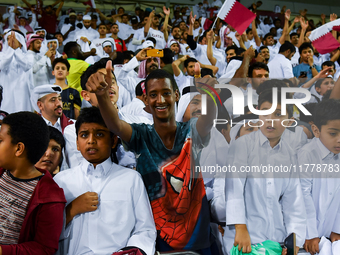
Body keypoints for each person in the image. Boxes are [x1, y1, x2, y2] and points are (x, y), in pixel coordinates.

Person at [86, 63, 220, 252]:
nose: (160, 99)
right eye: (153, 95)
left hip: (201, 240)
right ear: (146, 100)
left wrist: (208, 93)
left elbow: (208, 119)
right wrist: (102, 96)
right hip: (158, 243)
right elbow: (115, 124)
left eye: (166, 92)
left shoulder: (192, 129)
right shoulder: (140, 135)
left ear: (176, 95)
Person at [54, 107, 157, 255]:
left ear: (113, 141)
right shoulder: (62, 181)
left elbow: (145, 229)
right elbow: (46, 232)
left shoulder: (131, 179)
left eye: (99, 134)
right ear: (77, 143)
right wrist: (71, 210)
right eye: (84, 135)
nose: (91, 141)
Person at [224, 87, 307, 254]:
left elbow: (293, 202)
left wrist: (293, 240)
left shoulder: (290, 155)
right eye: (265, 113)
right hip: (244, 238)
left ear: (289, 121)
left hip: (276, 239)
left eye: (278, 114)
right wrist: (240, 227)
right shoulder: (243, 145)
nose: (270, 120)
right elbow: (234, 189)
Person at [0, 111, 66, 254]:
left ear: (18, 149)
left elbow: (44, 248)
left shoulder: (50, 197)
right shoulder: (2, 173)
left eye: (0, 141)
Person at [298, 99, 340, 255]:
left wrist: (337, 229)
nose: (339, 139)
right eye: (333, 133)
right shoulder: (307, 154)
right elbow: (303, 196)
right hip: (306, 235)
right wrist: (311, 233)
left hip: (329, 233)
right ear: (315, 130)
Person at [0, 30, 33, 114]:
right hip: (7, 91)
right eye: (8, 39)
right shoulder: (2, 55)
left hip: (23, 92)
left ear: (20, 41)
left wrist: (16, 50)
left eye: (13, 39)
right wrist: (11, 50)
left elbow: (26, 66)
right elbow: (2, 65)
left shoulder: (28, 55)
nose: (10, 41)